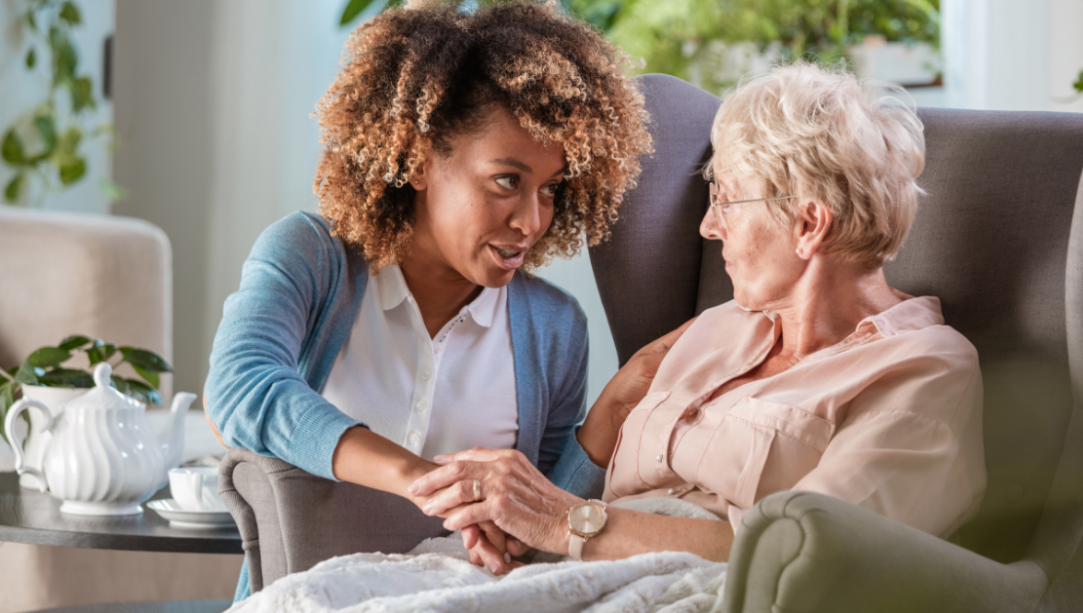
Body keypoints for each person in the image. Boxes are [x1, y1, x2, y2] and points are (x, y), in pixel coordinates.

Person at [411, 61, 987, 567]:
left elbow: (807, 554)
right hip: (576, 569)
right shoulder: (719, 326)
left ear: (809, 225)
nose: (710, 227)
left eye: (726, 200)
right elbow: (584, 509)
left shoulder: (924, 371)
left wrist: (563, 523)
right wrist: (520, 527)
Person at [202, 0, 652, 598]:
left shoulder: (554, 327)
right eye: (507, 181)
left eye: (551, 189)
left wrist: (615, 407)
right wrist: (429, 480)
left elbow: (536, 537)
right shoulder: (311, 258)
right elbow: (240, 388)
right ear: (418, 158)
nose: (532, 220)